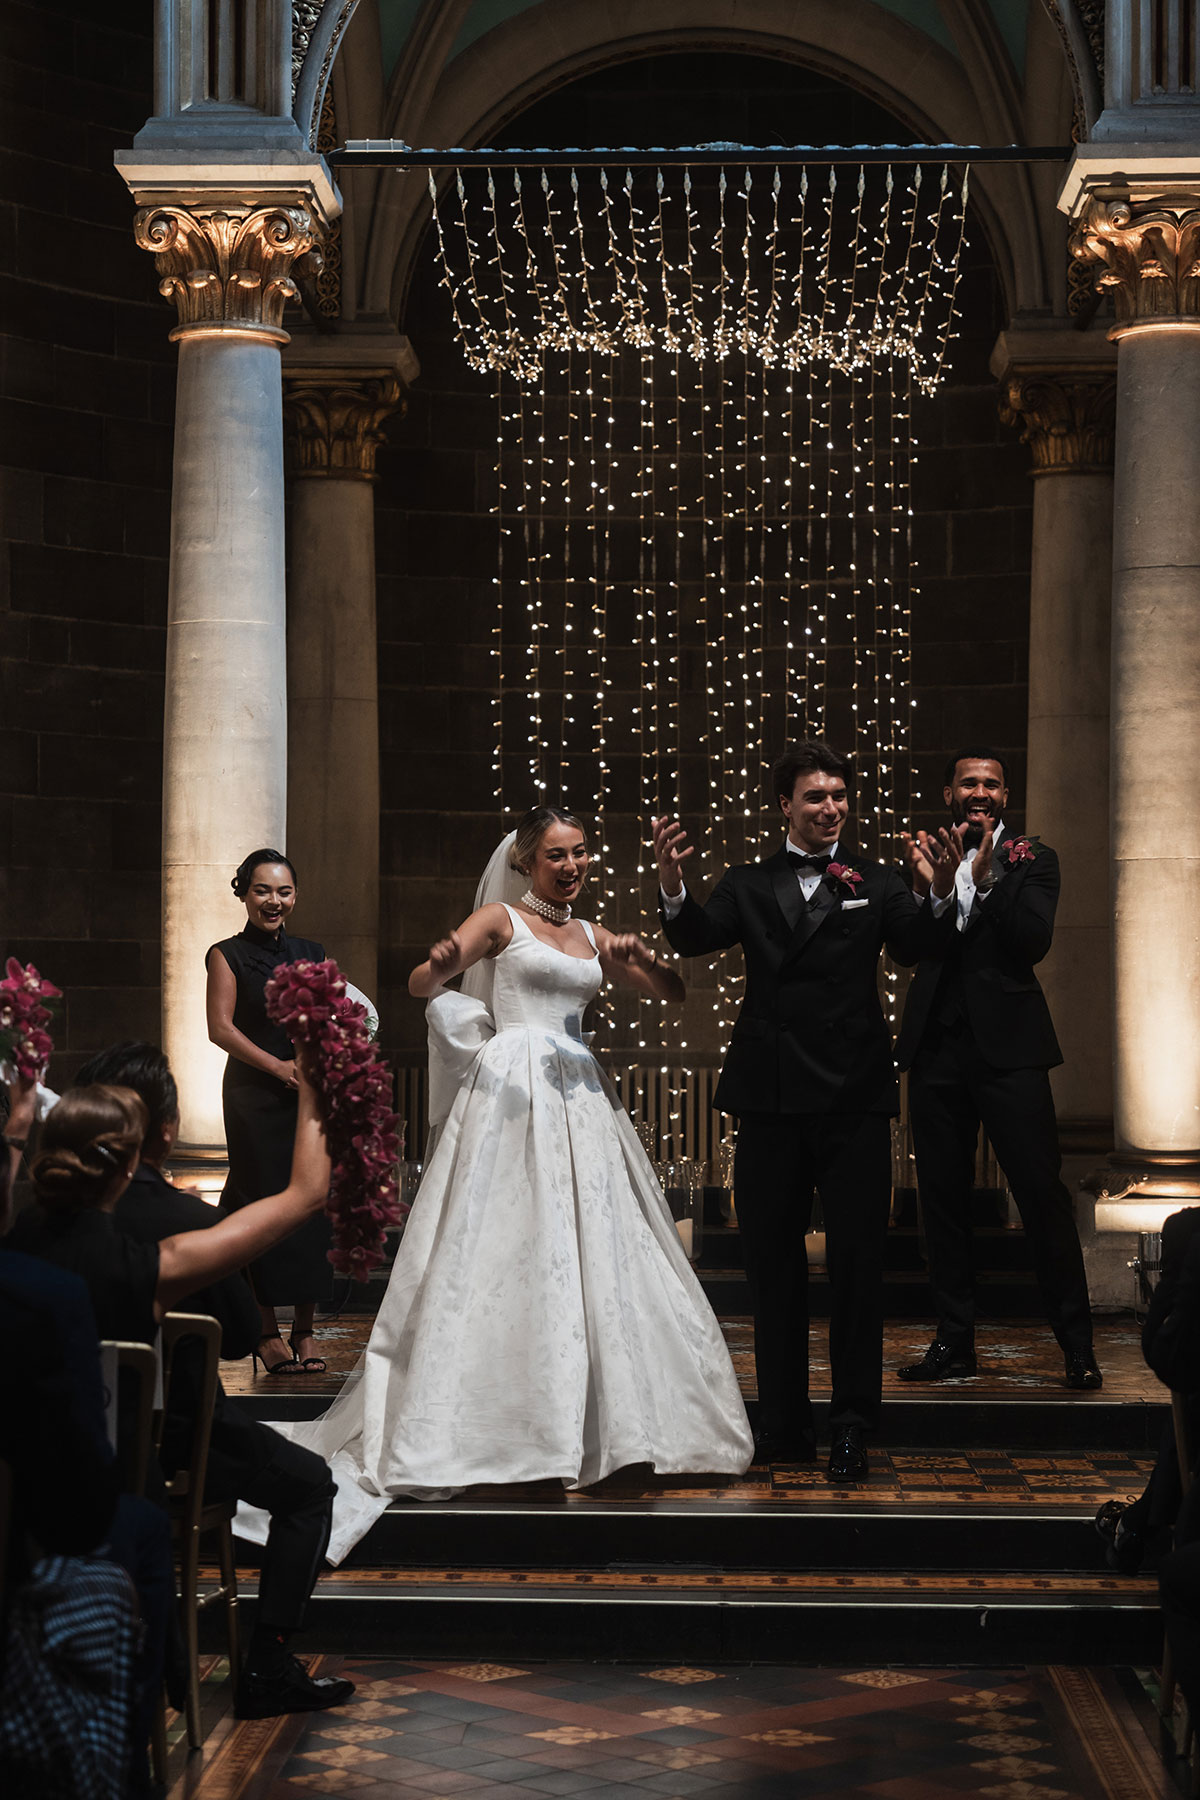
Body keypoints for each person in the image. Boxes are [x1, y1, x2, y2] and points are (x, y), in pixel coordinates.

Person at [237, 806, 753, 1566]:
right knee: (505, 1248)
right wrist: (442, 956)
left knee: (597, 1255)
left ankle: (606, 1424)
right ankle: (502, 1423)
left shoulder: (588, 934)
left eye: (580, 854)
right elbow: (421, 982)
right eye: (556, 855)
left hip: (579, 1097)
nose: (572, 866)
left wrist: (646, 959)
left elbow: (673, 992)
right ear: (525, 860)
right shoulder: (499, 916)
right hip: (512, 1090)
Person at [5, 1067, 357, 1720]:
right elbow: (307, 1195)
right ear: (128, 1165)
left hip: (28, 1481)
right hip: (128, 1483)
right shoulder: (147, 1268)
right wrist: (316, 1081)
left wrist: (19, 1118)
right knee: (308, 1485)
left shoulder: (16, 1244)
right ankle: (267, 1664)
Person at [653, 740, 957, 1483]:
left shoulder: (879, 880)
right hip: (770, 1098)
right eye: (816, 797)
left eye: (840, 798)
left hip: (853, 1097)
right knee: (772, 1271)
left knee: (858, 1269)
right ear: (784, 804)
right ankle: (783, 1424)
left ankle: (852, 1423)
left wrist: (944, 890)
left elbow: (917, 947)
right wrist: (671, 883)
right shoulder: (750, 883)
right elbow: (695, 937)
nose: (831, 809)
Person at [894, 747, 1099, 1389]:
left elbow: (1031, 941)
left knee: (1041, 1196)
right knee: (943, 1205)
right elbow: (906, 949)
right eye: (967, 783)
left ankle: (1076, 1345)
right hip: (936, 1052)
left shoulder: (1033, 860)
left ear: (1004, 796)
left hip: (1010, 1052)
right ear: (950, 793)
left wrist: (983, 883)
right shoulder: (923, 856)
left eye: (990, 783)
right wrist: (933, 890)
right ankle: (955, 1341)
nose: (978, 792)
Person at [206, 848, 330, 1375]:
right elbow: (221, 1028)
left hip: (309, 1093)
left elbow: (333, 1015)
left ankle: (304, 1331)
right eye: (262, 890)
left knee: (311, 1204)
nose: (273, 900)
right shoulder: (225, 954)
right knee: (260, 1202)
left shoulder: (311, 950)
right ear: (244, 893)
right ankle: (265, 1332)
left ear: (295, 896)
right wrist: (278, 1068)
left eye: (283, 891)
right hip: (256, 1096)